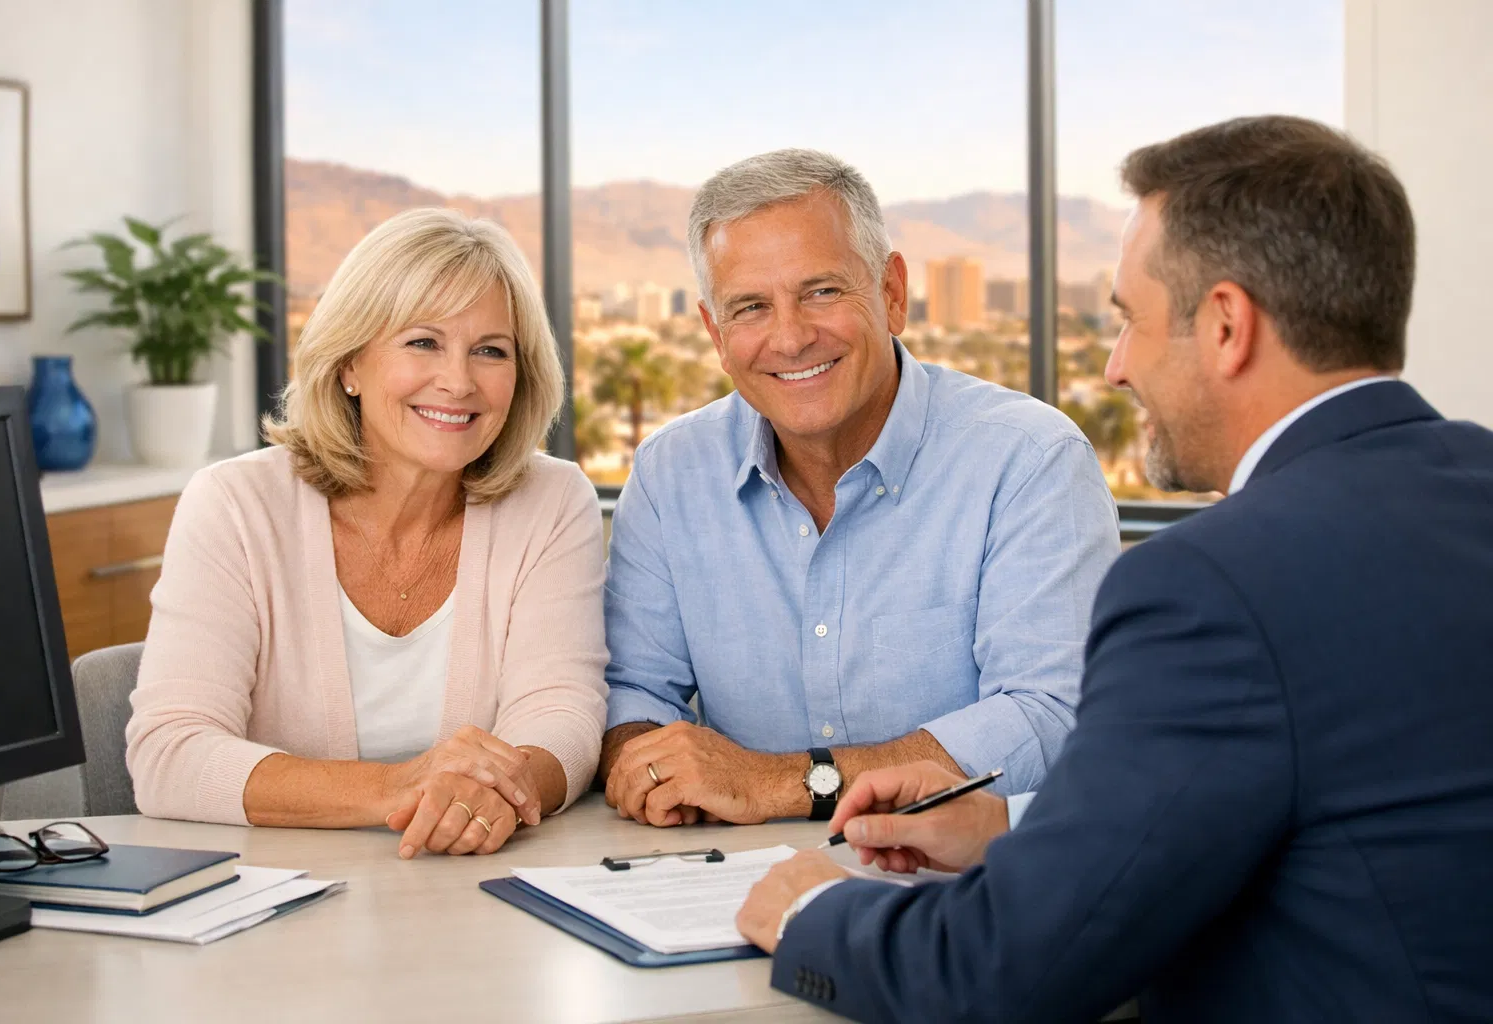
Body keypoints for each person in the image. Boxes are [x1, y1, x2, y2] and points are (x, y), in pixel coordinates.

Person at [738, 116, 1493, 1022]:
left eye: (1131, 320)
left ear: (1225, 326)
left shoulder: (1215, 586)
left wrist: (814, 908)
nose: (1116, 365)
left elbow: (1005, 970)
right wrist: (1008, 825)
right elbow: (1341, 792)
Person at [599, 149, 1119, 829]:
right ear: (714, 333)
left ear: (892, 293)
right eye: (750, 307)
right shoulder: (671, 475)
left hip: (960, 894)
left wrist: (783, 783)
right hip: (716, 884)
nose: (790, 337)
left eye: (822, 291)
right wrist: (655, 772)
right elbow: (631, 691)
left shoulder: (1030, 462)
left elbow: (1052, 717)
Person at [126, 209, 609, 860]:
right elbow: (171, 752)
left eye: (490, 351)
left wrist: (506, 784)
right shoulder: (235, 505)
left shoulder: (552, 502)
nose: (459, 381)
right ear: (351, 361)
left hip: (479, 890)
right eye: (422, 342)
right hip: (273, 911)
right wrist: (403, 789)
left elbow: (563, 713)